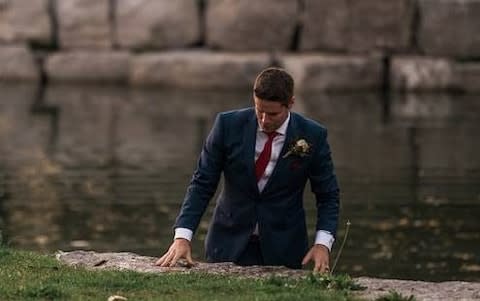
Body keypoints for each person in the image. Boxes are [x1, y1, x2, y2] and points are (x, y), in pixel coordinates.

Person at [156, 67, 339, 272]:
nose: (264, 120)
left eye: (272, 114)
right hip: (227, 242)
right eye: (259, 110)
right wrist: (183, 236)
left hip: (285, 246)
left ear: (291, 104)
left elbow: (328, 195)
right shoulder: (227, 125)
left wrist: (323, 243)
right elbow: (202, 182)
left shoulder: (313, 135)